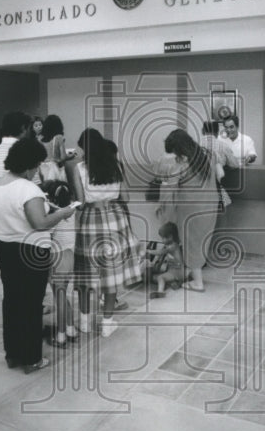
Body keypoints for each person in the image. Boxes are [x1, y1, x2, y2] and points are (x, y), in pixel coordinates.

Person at [0, 140, 78, 371]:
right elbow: (40, 223)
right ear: (29, 165)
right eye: (37, 164)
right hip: (30, 252)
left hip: (4, 249)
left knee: (11, 302)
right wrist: (62, 214)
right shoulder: (29, 189)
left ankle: (13, 355)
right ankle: (31, 359)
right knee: (30, 306)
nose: (37, 169)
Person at [68, 128, 142, 337]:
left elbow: (81, 202)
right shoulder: (115, 165)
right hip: (115, 219)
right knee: (111, 274)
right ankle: (107, 323)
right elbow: (125, 197)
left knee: (86, 272)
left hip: (90, 220)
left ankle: (84, 321)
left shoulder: (79, 168)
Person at [155, 128, 219, 292]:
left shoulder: (182, 164)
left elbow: (170, 189)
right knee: (199, 241)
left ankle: (197, 283)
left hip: (191, 208)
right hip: (209, 205)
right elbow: (218, 175)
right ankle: (191, 272)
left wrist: (162, 206)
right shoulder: (207, 155)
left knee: (191, 242)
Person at [40, 179, 79, 346]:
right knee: (63, 295)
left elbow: (44, 232)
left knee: (59, 298)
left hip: (58, 258)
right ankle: (71, 329)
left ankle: (61, 336)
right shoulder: (72, 211)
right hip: (71, 257)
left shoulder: (55, 216)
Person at [0, 111, 33, 185]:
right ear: (23, 128)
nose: (30, 132)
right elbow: (33, 182)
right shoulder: (25, 150)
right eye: (30, 128)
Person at [147, 221, 186, 298]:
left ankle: (161, 292)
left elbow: (160, 252)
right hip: (175, 270)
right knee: (155, 277)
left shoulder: (172, 246)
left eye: (163, 238)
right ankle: (176, 283)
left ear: (170, 237)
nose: (162, 240)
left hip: (177, 271)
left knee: (160, 278)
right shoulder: (171, 245)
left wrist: (148, 251)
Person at [38, 114, 70, 182]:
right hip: (55, 169)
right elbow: (63, 157)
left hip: (42, 169)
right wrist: (71, 156)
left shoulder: (39, 139)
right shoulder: (59, 137)